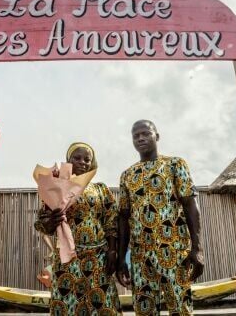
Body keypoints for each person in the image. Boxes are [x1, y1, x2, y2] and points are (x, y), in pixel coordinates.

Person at [116, 120, 204, 316]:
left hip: (174, 250)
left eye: (145, 133)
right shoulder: (127, 176)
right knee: (144, 311)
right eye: (135, 135)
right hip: (140, 255)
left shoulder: (175, 164)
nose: (140, 138)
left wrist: (197, 248)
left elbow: (191, 205)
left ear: (157, 136)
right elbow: (123, 218)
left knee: (181, 309)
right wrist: (121, 259)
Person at [35, 142, 122, 315]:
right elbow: (42, 224)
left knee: (102, 304)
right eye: (77, 158)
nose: (82, 162)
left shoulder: (101, 189)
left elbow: (112, 221)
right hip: (68, 259)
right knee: (68, 305)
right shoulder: (55, 188)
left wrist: (112, 251)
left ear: (92, 163)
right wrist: (51, 221)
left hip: (98, 258)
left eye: (87, 159)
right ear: (68, 160)